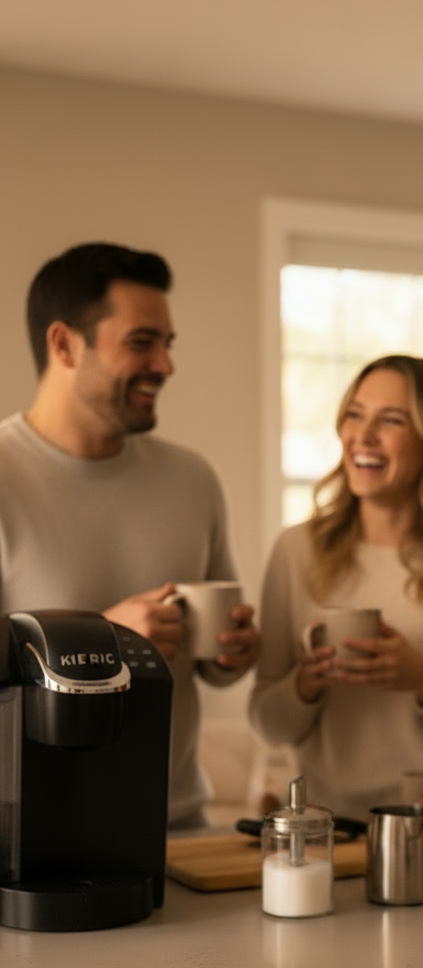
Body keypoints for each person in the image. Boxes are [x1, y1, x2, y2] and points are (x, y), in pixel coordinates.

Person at [0, 242, 259, 828]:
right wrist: (98, 642)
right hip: (33, 839)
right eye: (142, 342)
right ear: (63, 344)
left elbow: (211, 667)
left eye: (167, 344)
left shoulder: (193, 479)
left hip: (181, 831)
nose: (165, 365)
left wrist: (231, 654)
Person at [248, 354, 423, 819]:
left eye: (392, 420)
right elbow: (268, 723)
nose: (363, 435)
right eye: (355, 414)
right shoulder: (295, 551)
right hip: (328, 829)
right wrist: (306, 682)